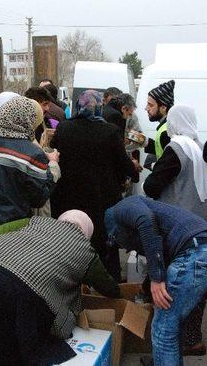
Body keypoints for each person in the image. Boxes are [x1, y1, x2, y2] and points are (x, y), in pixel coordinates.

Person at [0, 211, 120, 365]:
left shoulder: (36, 222)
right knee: (19, 339)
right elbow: (107, 286)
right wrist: (120, 292)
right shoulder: (84, 249)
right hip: (20, 287)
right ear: (87, 232)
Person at [105, 196, 207, 366]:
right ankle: (161, 360)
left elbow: (146, 221)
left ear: (116, 230)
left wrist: (156, 278)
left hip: (198, 251)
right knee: (173, 324)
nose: (128, 249)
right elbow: (163, 256)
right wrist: (147, 285)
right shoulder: (160, 226)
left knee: (163, 329)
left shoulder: (121, 209)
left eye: (123, 244)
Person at [143, 104, 207, 356]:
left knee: (177, 283)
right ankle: (192, 338)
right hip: (206, 225)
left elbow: (152, 187)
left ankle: (174, 342)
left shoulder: (176, 148)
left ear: (173, 122)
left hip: (184, 228)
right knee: (197, 285)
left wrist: (153, 170)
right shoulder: (197, 146)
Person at [50, 90, 138, 280]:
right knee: (103, 241)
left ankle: (70, 278)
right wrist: (133, 172)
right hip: (101, 197)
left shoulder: (64, 127)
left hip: (70, 195)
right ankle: (107, 282)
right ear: (98, 108)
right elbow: (123, 162)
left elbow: (55, 149)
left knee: (72, 238)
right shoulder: (109, 131)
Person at [0, 96, 58, 238]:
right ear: (28, 120)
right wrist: (53, 166)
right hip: (11, 230)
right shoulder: (32, 153)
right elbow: (39, 198)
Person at [144, 80, 175, 160]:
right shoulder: (169, 126)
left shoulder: (166, 132)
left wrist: (155, 166)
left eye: (150, 105)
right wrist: (144, 141)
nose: (146, 108)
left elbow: (171, 163)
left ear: (163, 107)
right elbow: (160, 149)